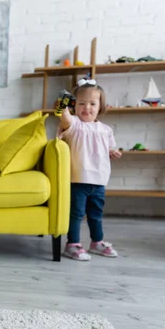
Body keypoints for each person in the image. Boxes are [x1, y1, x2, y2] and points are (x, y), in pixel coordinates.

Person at [57, 77, 122, 261]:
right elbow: (62, 115)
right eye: (82, 103)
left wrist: (113, 152)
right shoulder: (74, 125)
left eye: (92, 103)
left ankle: (97, 242)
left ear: (100, 106)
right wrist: (63, 102)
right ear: (74, 106)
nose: (87, 107)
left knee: (96, 214)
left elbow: (108, 148)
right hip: (78, 179)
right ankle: (72, 244)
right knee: (76, 214)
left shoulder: (106, 129)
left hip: (99, 180)